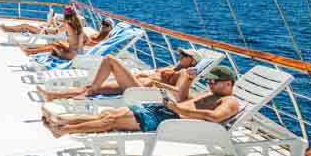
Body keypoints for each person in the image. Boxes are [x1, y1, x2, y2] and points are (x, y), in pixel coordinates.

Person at [42, 64, 242, 137]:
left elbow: (216, 117)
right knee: (107, 114)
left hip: (167, 119)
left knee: (109, 122)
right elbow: (183, 98)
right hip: (161, 110)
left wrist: (179, 109)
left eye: (214, 82)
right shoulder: (211, 95)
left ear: (228, 83)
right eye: (208, 80)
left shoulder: (230, 101)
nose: (210, 84)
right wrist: (188, 81)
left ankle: (62, 130)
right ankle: (62, 120)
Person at [36, 48, 201, 102]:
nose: (180, 56)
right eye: (180, 54)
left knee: (110, 60)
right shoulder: (178, 66)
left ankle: (89, 89)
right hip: (137, 82)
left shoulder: (186, 73)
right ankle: (52, 95)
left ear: (192, 61)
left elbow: (178, 92)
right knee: (96, 89)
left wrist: (158, 84)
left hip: (140, 89)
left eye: (184, 55)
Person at [20, 6, 85, 60]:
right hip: (79, 53)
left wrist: (46, 28)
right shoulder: (79, 24)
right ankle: (30, 50)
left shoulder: (67, 23)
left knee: (52, 45)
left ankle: (29, 51)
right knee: (57, 43)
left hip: (71, 56)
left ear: (65, 15)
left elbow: (55, 31)